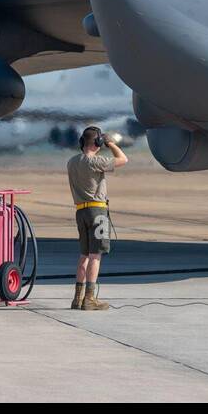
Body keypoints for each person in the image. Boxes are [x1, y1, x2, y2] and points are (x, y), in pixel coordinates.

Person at [67, 125, 127, 310]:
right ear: (97, 143)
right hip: (97, 211)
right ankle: (90, 299)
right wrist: (110, 143)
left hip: (81, 211)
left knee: (84, 255)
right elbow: (123, 159)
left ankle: (77, 298)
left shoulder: (72, 161)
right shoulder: (95, 161)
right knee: (95, 256)